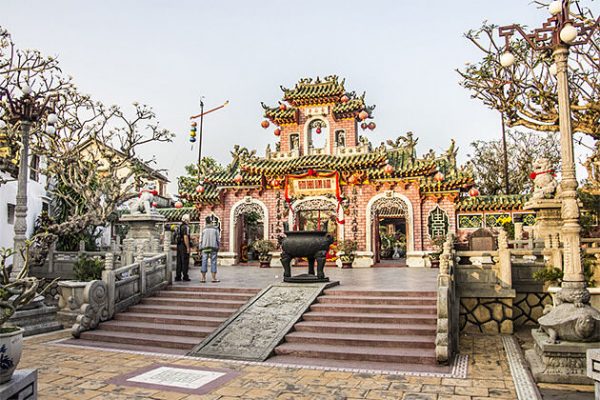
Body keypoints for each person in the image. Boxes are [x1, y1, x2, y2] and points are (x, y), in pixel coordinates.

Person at [200, 215, 221, 283]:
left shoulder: (203, 229)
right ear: (211, 222)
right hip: (213, 247)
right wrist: (218, 246)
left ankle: (203, 278)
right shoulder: (215, 229)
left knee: (204, 261)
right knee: (213, 262)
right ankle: (213, 278)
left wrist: (200, 248)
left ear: (206, 222)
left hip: (205, 248)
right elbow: (218, 239)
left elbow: (201, 240)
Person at [175, 214, 191, 282]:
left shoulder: (179, 226)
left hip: (178, 245)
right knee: (185, 260)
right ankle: (185, 276)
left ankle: (178, 276)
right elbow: (185, 237)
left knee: (179, 261)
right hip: (183, 245)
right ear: (187, 220)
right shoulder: (186, 227)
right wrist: (187, 247)